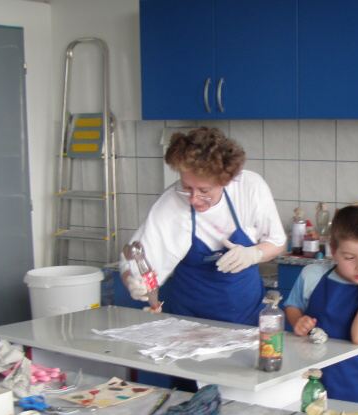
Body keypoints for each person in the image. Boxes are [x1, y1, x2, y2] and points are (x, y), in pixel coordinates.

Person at [120, 127, 286, 326]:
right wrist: (132, 281)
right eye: (187, 187)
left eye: (204, 190)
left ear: (226, 180)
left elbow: (277, 242)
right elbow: (134, 261)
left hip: (246, 318)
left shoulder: (249, 188)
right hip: (189, 322)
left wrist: (253, 254)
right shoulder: (170, 204)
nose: (193, 199)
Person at [284, 205, 358, 405]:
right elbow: (292, 306)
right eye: (349, 258)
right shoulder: (312, 275)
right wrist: (298, 321)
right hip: (309, 378)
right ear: (333, 250)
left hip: (355, 386)